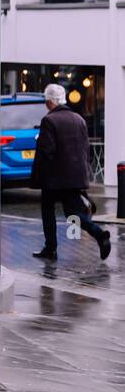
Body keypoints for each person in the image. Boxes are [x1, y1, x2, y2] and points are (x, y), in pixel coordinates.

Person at [32, 83, 111, 261]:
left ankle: (51, 248)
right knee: (73, 213)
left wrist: (40, 176)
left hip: (54, 178)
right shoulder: (79, 119)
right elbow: (85, 149)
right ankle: (99, 234)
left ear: (49, 101)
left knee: (47, 208)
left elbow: (47, 152)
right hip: (75, 176)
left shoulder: (49, 121)